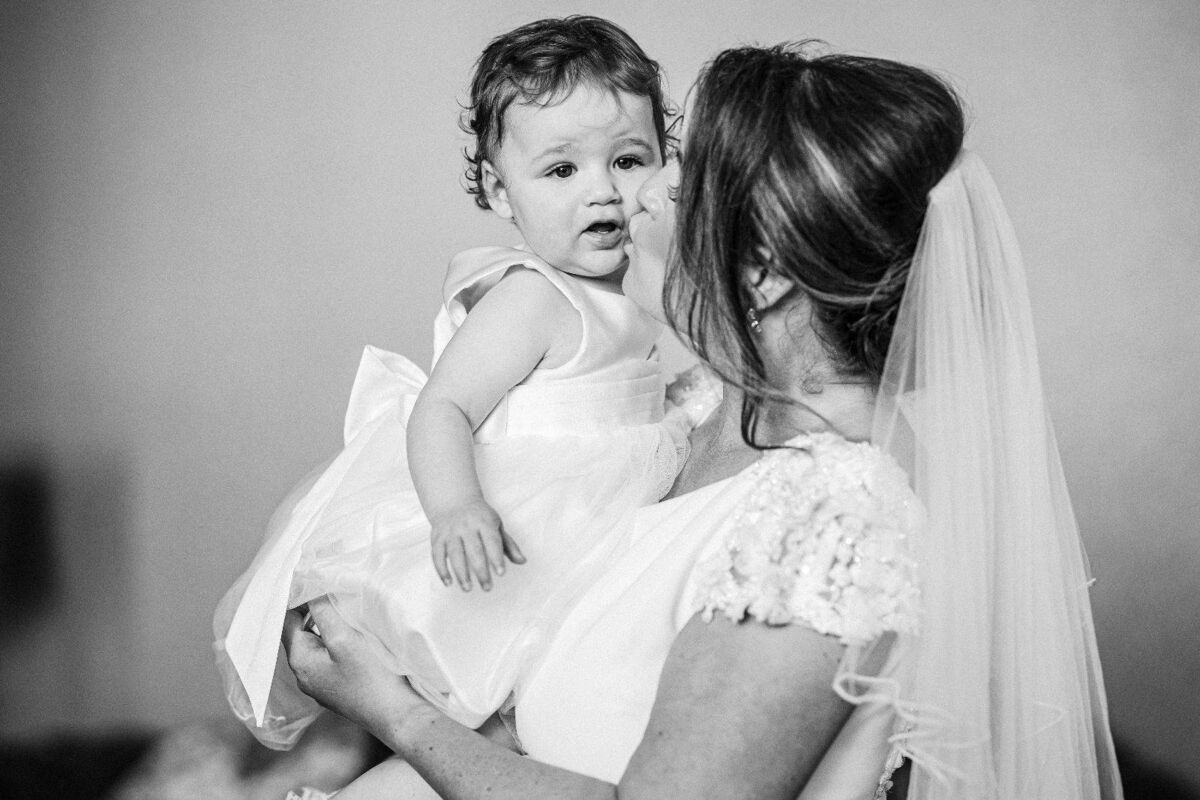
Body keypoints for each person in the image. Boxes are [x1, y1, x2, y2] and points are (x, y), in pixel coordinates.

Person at [282, 43, 1125, 800]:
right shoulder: (685, 414)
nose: (640, 192)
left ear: (760, 274)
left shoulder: (833, 525)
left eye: (678, 172)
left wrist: (393, 712)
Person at [211, 16, 690, 750]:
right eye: (562, 171)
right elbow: (442, 407)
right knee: (494, 687)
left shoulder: (649, 285)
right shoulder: (534, 297)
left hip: (601, 522)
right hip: (523, 524)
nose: (603, 192)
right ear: (502, 194)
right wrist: (456, 508)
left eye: (628, 161)